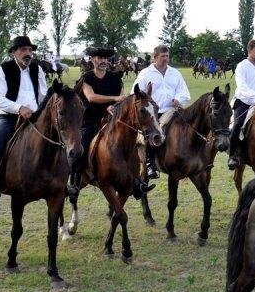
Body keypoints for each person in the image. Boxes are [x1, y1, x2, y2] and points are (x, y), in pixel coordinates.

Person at [68, 47, 153, 199]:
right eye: (99, 58)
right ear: (92, 60)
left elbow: (121, 97)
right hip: (91, 118)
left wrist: (114, 106)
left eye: (105, 59)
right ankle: (74, 182)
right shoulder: (86, 77)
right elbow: (91, 97)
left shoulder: (115, 77)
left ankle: (136, 180)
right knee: (81, 146)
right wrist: (113, 100)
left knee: (134, 142)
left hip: (113, 117)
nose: (103, 61)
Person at [0, 36, 48, 208]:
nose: (28, 53)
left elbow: (42, 96)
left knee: (60, 141)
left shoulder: (37, 69)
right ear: (13, 52)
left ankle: (63, 182)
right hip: (10, 117)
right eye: (23, 50)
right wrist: (19, 108)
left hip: (34, 116)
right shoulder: (1, 70)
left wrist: (41, 110)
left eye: (30, 50)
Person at [132, 44, 191, 179]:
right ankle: (149, 164)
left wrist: (178, 99)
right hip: (153, 112)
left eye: (167, 56)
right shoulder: (145, 73)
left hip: (173, 110)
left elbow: (184, 92)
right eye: (162, 56)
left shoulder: (175, 73)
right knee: (153, 132)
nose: (165, 59)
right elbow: (135, 94)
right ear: (155, 57)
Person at [227, 39, 255, 170]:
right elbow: (242, 86)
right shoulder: (242, 66)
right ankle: (233, 155)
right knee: (237, 125)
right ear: (249, 51)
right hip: (244, 102)